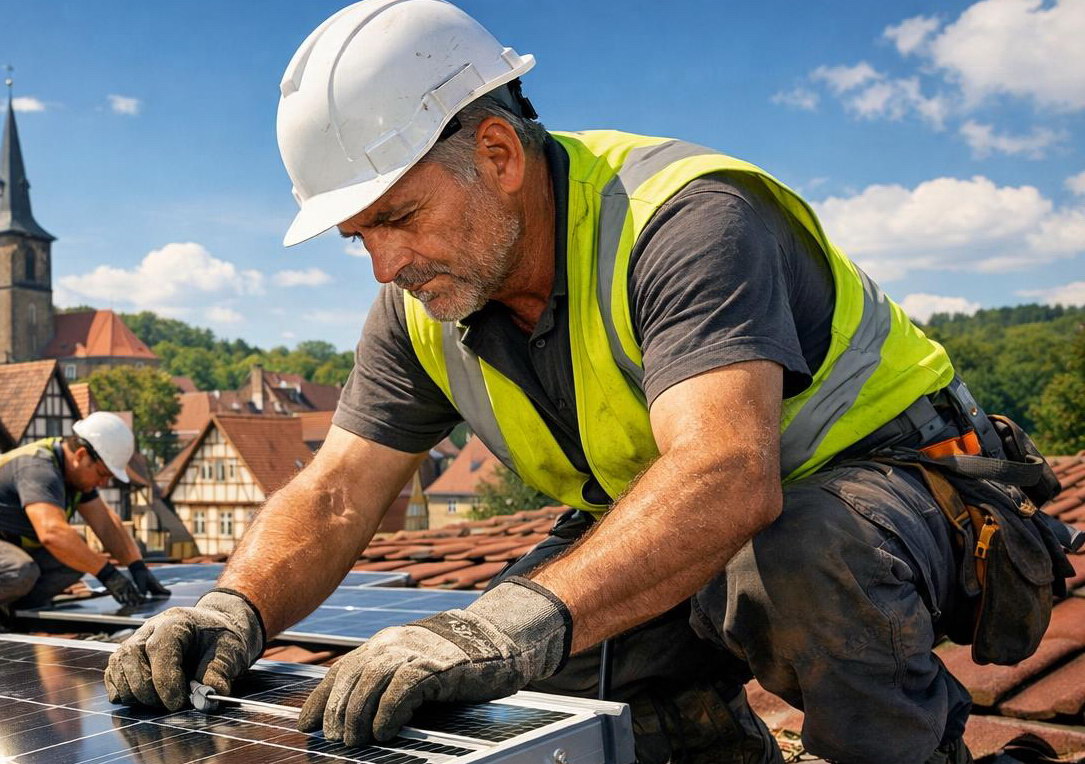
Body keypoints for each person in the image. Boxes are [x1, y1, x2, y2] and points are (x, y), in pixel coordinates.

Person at [104, 2, 1066, 762]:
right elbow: (335, 492)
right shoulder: (423, 303)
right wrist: (235, 606)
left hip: (901, 506)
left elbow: (729, 476)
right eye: (361, 237)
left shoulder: (683, 220)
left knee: (786, 556)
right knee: (518, 691)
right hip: (700, 525)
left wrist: (504, 624)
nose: (383, 264)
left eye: (398, 217)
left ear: (497, 153)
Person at [0, 412, 170, 618]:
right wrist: (108, 575)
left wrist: (137, 566)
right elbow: (51, 533)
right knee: (20, 571)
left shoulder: (73, 474)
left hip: (9, 544)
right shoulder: (38, 468)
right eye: (102, 474)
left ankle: (13, 612)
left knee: (76, 553)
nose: (104, 483)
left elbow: (106, 524)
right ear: (81, 455)